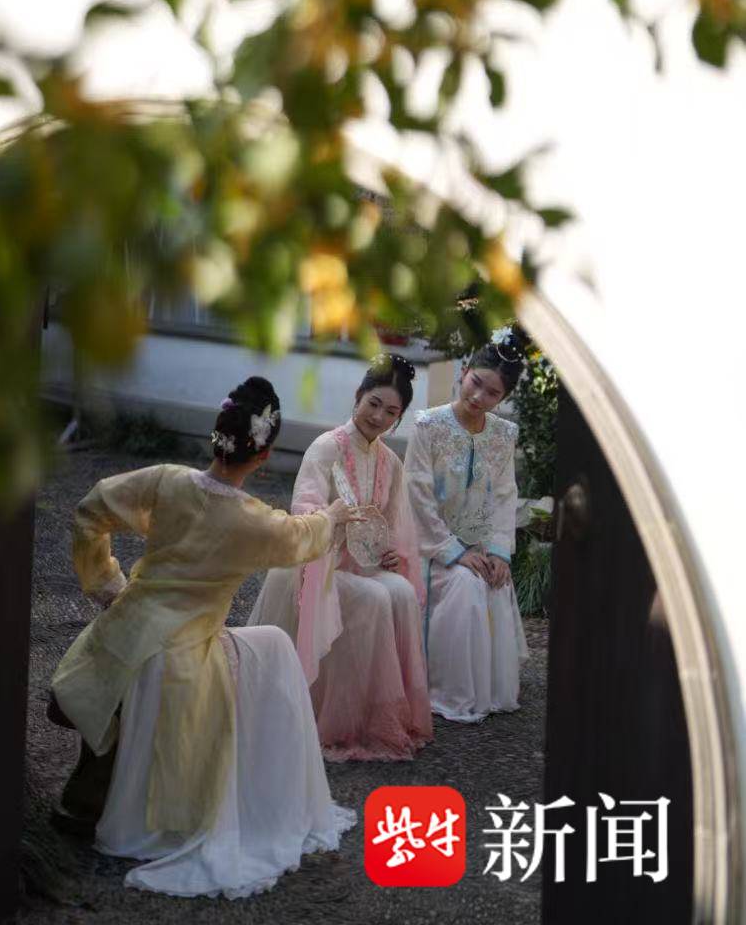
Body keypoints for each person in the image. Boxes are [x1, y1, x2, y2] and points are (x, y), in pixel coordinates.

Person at [49, 376, 356, 898]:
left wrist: (105, 584)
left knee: (258, 649)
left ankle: (92, 798)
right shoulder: (254, 522)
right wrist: (334, 514)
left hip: (120, 636)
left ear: (216, 436)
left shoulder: (166, 480)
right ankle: (254, 790)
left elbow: (89, 511)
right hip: (184, 658)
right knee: (276, 649)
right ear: (264, 457)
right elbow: (305, 539)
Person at [246, 354, 433, 760]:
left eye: (391, 412)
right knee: (376, 597)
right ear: (358, 396)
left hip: (364, 566)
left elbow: (395, 528)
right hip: (318, 566)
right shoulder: (326, 448)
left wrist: (390, 554)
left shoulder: (390, 462)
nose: (379, 417)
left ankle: (379, 714)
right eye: (373, 404)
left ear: (399, 417)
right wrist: (333, 523)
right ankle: (340, 719)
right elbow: (304, 516)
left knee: (401, 591)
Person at [404, 335, 530, 723]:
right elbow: (418, 495)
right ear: (464, 371)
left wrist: (499, 552)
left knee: (494, 581)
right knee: (465, 585)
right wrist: (453, 551)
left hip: (480, 545)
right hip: (431, 547)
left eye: (493, 393)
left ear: (504, 397)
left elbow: (505, 496)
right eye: (476, 382)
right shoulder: (428, 426)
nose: (479, 397)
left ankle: (485, 692)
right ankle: (448, 690)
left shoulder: (503, 435)